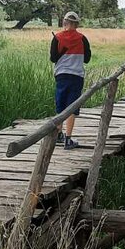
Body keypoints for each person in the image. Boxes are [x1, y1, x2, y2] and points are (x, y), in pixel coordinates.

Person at [50, 11, 91, 149]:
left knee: (60, 105)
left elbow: (53, 58)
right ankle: (68, 139)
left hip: (61, 75)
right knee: (72, 107)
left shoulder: (57, 38)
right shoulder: (82, 39)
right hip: (76, 76)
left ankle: (58, 135)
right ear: (77, 24)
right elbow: (87, 59)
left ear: (64, 22)